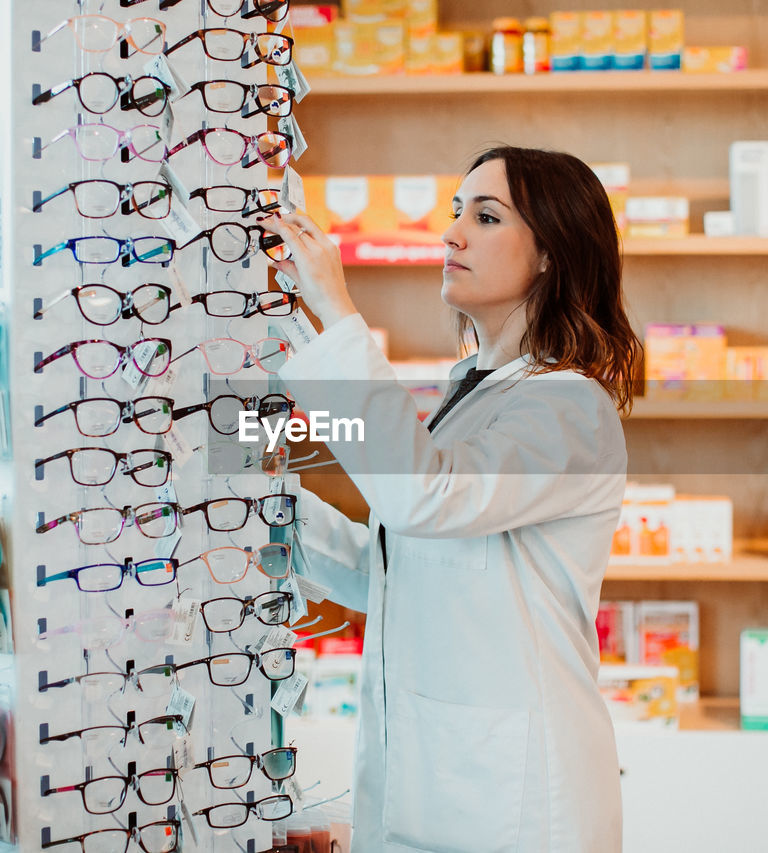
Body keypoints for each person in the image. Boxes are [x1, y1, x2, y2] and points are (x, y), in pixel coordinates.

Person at [260, 146, 641, 852]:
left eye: (487, 216)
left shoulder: (571, 410)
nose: (453, 233)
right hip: (435, 786)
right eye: (455, 212)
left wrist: (333, 307)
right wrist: (249, 483)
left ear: (552, 253)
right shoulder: (467, 393)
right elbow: (391, 567)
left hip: (519, 805)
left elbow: (421, 497)